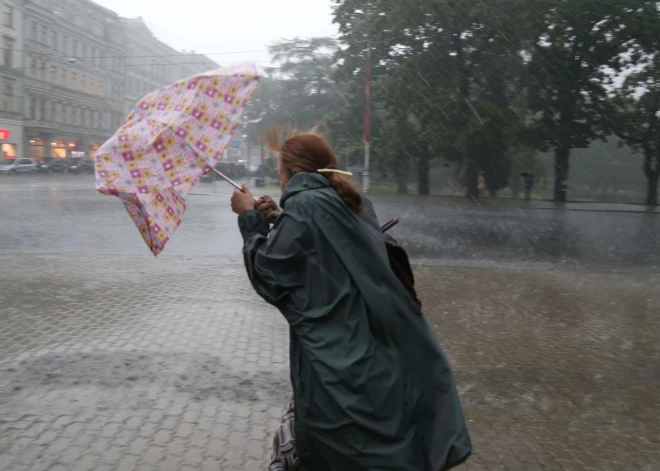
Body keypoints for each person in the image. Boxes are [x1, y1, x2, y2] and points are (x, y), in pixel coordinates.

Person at [230, 126, 472, 471]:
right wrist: (279, 220)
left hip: (337, 364)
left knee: (334, 451)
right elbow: (326, 250)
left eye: (279, 171)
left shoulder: (306, 207)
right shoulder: (349, 201)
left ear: (289, 173)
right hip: (378, 351)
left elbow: (269, 275)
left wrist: (249, 219)